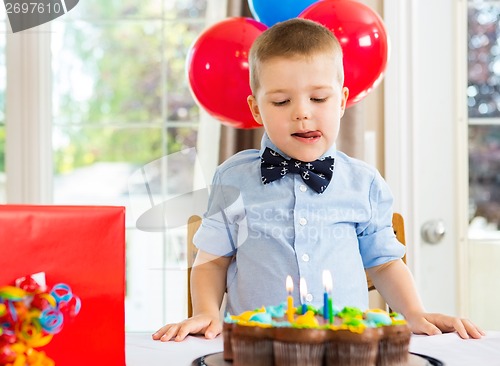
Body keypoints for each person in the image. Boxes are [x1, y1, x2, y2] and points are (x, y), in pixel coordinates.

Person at [153, 18, 484, 342]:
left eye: (319, 98)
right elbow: (212, 261)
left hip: (345, 350)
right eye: (282, 101)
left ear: (341, 102)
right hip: (258, 350)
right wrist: (207, 311)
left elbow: (383, 263)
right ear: (256, 109)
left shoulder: (364, 183)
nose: (302, 112)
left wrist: (415, 313)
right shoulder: (232, 179)